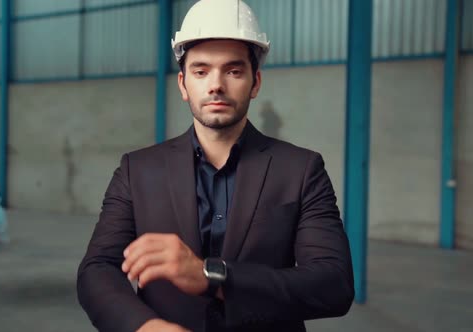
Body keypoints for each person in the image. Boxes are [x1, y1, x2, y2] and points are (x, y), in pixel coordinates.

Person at [77, 1, 354, 331]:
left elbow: (333, 285)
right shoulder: (137, 170)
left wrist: (212, 276)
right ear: (183, 84)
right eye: (201, 71)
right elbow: (97, 269)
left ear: (255, 83)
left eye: (234, 71)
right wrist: (144, 326)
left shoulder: (301, 169)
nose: (216, 85)